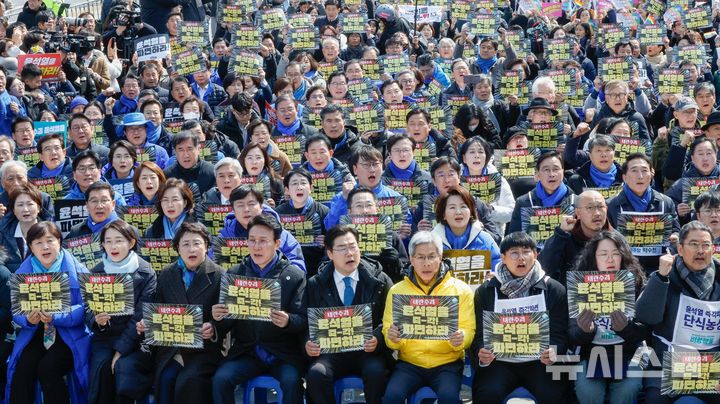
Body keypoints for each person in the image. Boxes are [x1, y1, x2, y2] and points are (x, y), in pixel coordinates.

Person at [211, 215, 307, 404]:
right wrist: (219, 318)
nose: (256, 246)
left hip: (282, 354)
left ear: (277, 243)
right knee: (221, 379)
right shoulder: (235, 274)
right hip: (247, 352)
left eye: (263, 241)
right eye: (252, 240)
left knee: (291, 381)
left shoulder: (294, 276)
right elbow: (225, 325)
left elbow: (304, 320)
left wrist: (289, 321)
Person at [471, 232, 569, 403]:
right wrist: (481, 350)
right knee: (487, 393)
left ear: (536, 254)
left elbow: (560, 334)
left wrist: (554, 350)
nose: (521, 258)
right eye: (514, 253)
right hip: (500, 363)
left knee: (555, 394)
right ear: (503, 257)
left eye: (526, 252)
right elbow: (478, 334)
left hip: (540, 362)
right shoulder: (486, 291)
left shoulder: (554, 289)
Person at [136, 222, 224, 404]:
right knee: (165, 378)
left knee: (188, 381)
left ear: (206, 247)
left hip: (204, 350)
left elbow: (229, 317)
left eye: (197, 243)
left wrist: (213, 327)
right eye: (185, 244)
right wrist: (148, 324)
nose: (191, 249)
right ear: (177, 248)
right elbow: (158, 308)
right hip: (173, 348)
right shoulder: (167, 274)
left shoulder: (219, 275)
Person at [382, 231, 475, 403]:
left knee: (449, 398)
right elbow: (388, 329)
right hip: (409, 363)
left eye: (432, 256)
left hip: (448, 362)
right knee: (391, 397)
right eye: (420, 257)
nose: (427, 263)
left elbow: (469, 328)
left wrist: (461, 338)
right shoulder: (397, 291)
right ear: (411, 259)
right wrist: (392, 337)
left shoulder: (461, 290)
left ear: (440, 257)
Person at [305, 225, 393, 404]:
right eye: (342, 248)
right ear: (330, 253)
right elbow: (305, 322)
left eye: (353, 246)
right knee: (316, 374)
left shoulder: (380, 280)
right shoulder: (316, 284)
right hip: (330, 353)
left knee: (377, 372)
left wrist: (378, 338)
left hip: (368, 352)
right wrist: (307, 343)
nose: (349, 253)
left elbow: (391, 320)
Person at [6, 222, 91, 404]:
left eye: (49, 240)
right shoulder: (23, 273)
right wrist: (27, 319)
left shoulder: (79, 270)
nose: (45, 247)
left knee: (48, 368)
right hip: (35, 333)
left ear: (59, 242)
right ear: (30, 247)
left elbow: (86, 308)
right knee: (23, 367)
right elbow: (16, 310)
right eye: (38, 242)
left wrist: (57, 316)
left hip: (68, 335)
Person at [636, 221, 720, 403]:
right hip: (668, 362)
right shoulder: (665, 274)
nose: (700, 251)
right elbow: (646, 317)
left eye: (706, 245)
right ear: (680, 249)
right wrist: (660, 278)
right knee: (653, 399)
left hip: (710, 365)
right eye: (694, 244)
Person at [570, 230, 647, 404]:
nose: (610, 259)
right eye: (603, 254)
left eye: (615, 254)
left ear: (623, 257)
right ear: (593, 258)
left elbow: (646, 331)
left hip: (628, 354)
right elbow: (571, 336)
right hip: (590, 354)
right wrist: (585, 331)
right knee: (589, 391)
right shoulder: (579, 285)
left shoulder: (638, 283)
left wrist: (626, 330)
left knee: (628, 389)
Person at [88, 220, 156, 404]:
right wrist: (98, 321)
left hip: (136, 339)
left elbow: (140, 316)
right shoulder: (96, 271)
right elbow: (88, 308)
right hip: (105, 336)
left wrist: (120, 350)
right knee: (102, 368)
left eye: (119, 240)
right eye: (108, 241)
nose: (113, 246)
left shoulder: (146, 272)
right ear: (102, 245)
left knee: (122, 368)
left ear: (131, 242)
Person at [606, 153, 680, 275]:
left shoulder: (666, 202)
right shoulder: (611, 205)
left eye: (644, 171)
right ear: (624, 177)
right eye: (634, 171)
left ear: (652, 174)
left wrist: (674, 237)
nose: (640, 176)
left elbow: (676, 230)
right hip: (625, 270)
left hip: (659, 268)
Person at [325, 146, 411, 236]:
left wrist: (402, 236)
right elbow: (329, 228)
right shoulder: (341, 197)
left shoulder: (397, 199)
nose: (372, 170)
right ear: (355, 169)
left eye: (375, 164)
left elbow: (407, 230)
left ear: (382, 167)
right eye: (366, 165)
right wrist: (343, 200)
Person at [413, 157, 501, 243]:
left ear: (459, 177)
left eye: (451, 174)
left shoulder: (475, 203)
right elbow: (411, 243)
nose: (447, 180)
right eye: (441, 175)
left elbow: (496, 238)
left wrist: (481, 231)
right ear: (434, 181)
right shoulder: (423, 207)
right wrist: (419, 233)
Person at [219, 185, 306, 272]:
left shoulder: (282, 235)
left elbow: (297, 268)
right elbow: (216, 268)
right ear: (233, 209)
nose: (246, 209)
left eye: (251, 204)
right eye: (240, 205)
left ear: (261, 206)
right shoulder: (224, 237)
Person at [539, 190, 612, 286]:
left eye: (600, 207)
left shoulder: (615, 239)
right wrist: (561, 235)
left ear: (606, 209)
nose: (597, 213)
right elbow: (545, 269)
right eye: (590, 207)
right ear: (578, 212)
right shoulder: (565, 238)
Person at [431, 185, 501, 270]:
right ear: (444, 214)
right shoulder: (431, 242)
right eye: (452, 207)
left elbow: (498, 265)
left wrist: (493, 276)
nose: (458, 212)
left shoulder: (484, 239)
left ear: (471, 212)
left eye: (463, 206)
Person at [275, 168, 329, 277]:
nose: (299, 187)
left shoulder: (323, 211)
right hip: (287, 269)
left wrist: (328, 241)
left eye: (303, 183)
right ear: (287, 190)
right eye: (294, 183)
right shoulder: (278, 213)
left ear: (311, 188)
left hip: (317, 268)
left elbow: (334, 240)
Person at [459, 136, 515, 234]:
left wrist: (491, 210)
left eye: (481, 152)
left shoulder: (498, 180)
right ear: (464, 158)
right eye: (472, 152)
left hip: (492, 234)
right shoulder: (456, 180)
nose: (477, 156)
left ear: (487, 157)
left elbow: (511, 212)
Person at [300, 134, 352, 205]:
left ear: (330, 153)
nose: (318, 157)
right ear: (307, 156)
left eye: (322, 152)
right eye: (313, 153)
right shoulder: (299, 176)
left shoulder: (343, 173)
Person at [0, 183, 42, 272]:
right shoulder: (2, 234)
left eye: (30, 204)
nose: (25, 209)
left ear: (38, 208)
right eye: (20, 205)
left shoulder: (51, 233)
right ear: (13, 210)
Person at [163, 131, 217, 197]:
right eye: (180, 149)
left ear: (199, 149)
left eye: (189, 149)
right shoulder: (167, 175)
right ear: (175, 152)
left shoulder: (212, 172)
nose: (186, 155)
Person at [271, 95, 319, 167]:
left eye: (290, 109)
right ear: (276, 113)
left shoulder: (313, 133)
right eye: (282, 110)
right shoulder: (270, 135)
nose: (287, 113)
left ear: (297, 110)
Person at [238, 142, 284, 207]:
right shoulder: (237, 181)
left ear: (264, 160)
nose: (254, 162)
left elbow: (283, 208)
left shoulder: (276, 181)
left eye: (258, 157)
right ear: (244, 160)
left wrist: (275, 207)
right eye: (250, 158)